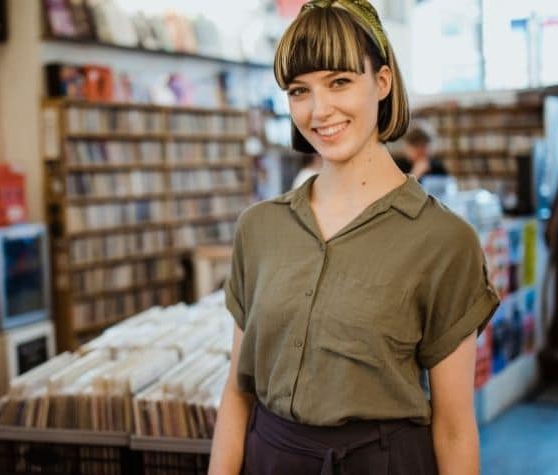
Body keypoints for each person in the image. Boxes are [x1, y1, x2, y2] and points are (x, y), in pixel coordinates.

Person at [208, 1, 500, 474]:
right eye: (300, 90)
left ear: (382, 82)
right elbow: (238, 391)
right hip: (271, 459)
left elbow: (454, 426)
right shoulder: (259, 228)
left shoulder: (445, 240)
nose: (319, 110)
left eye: (339, 81)